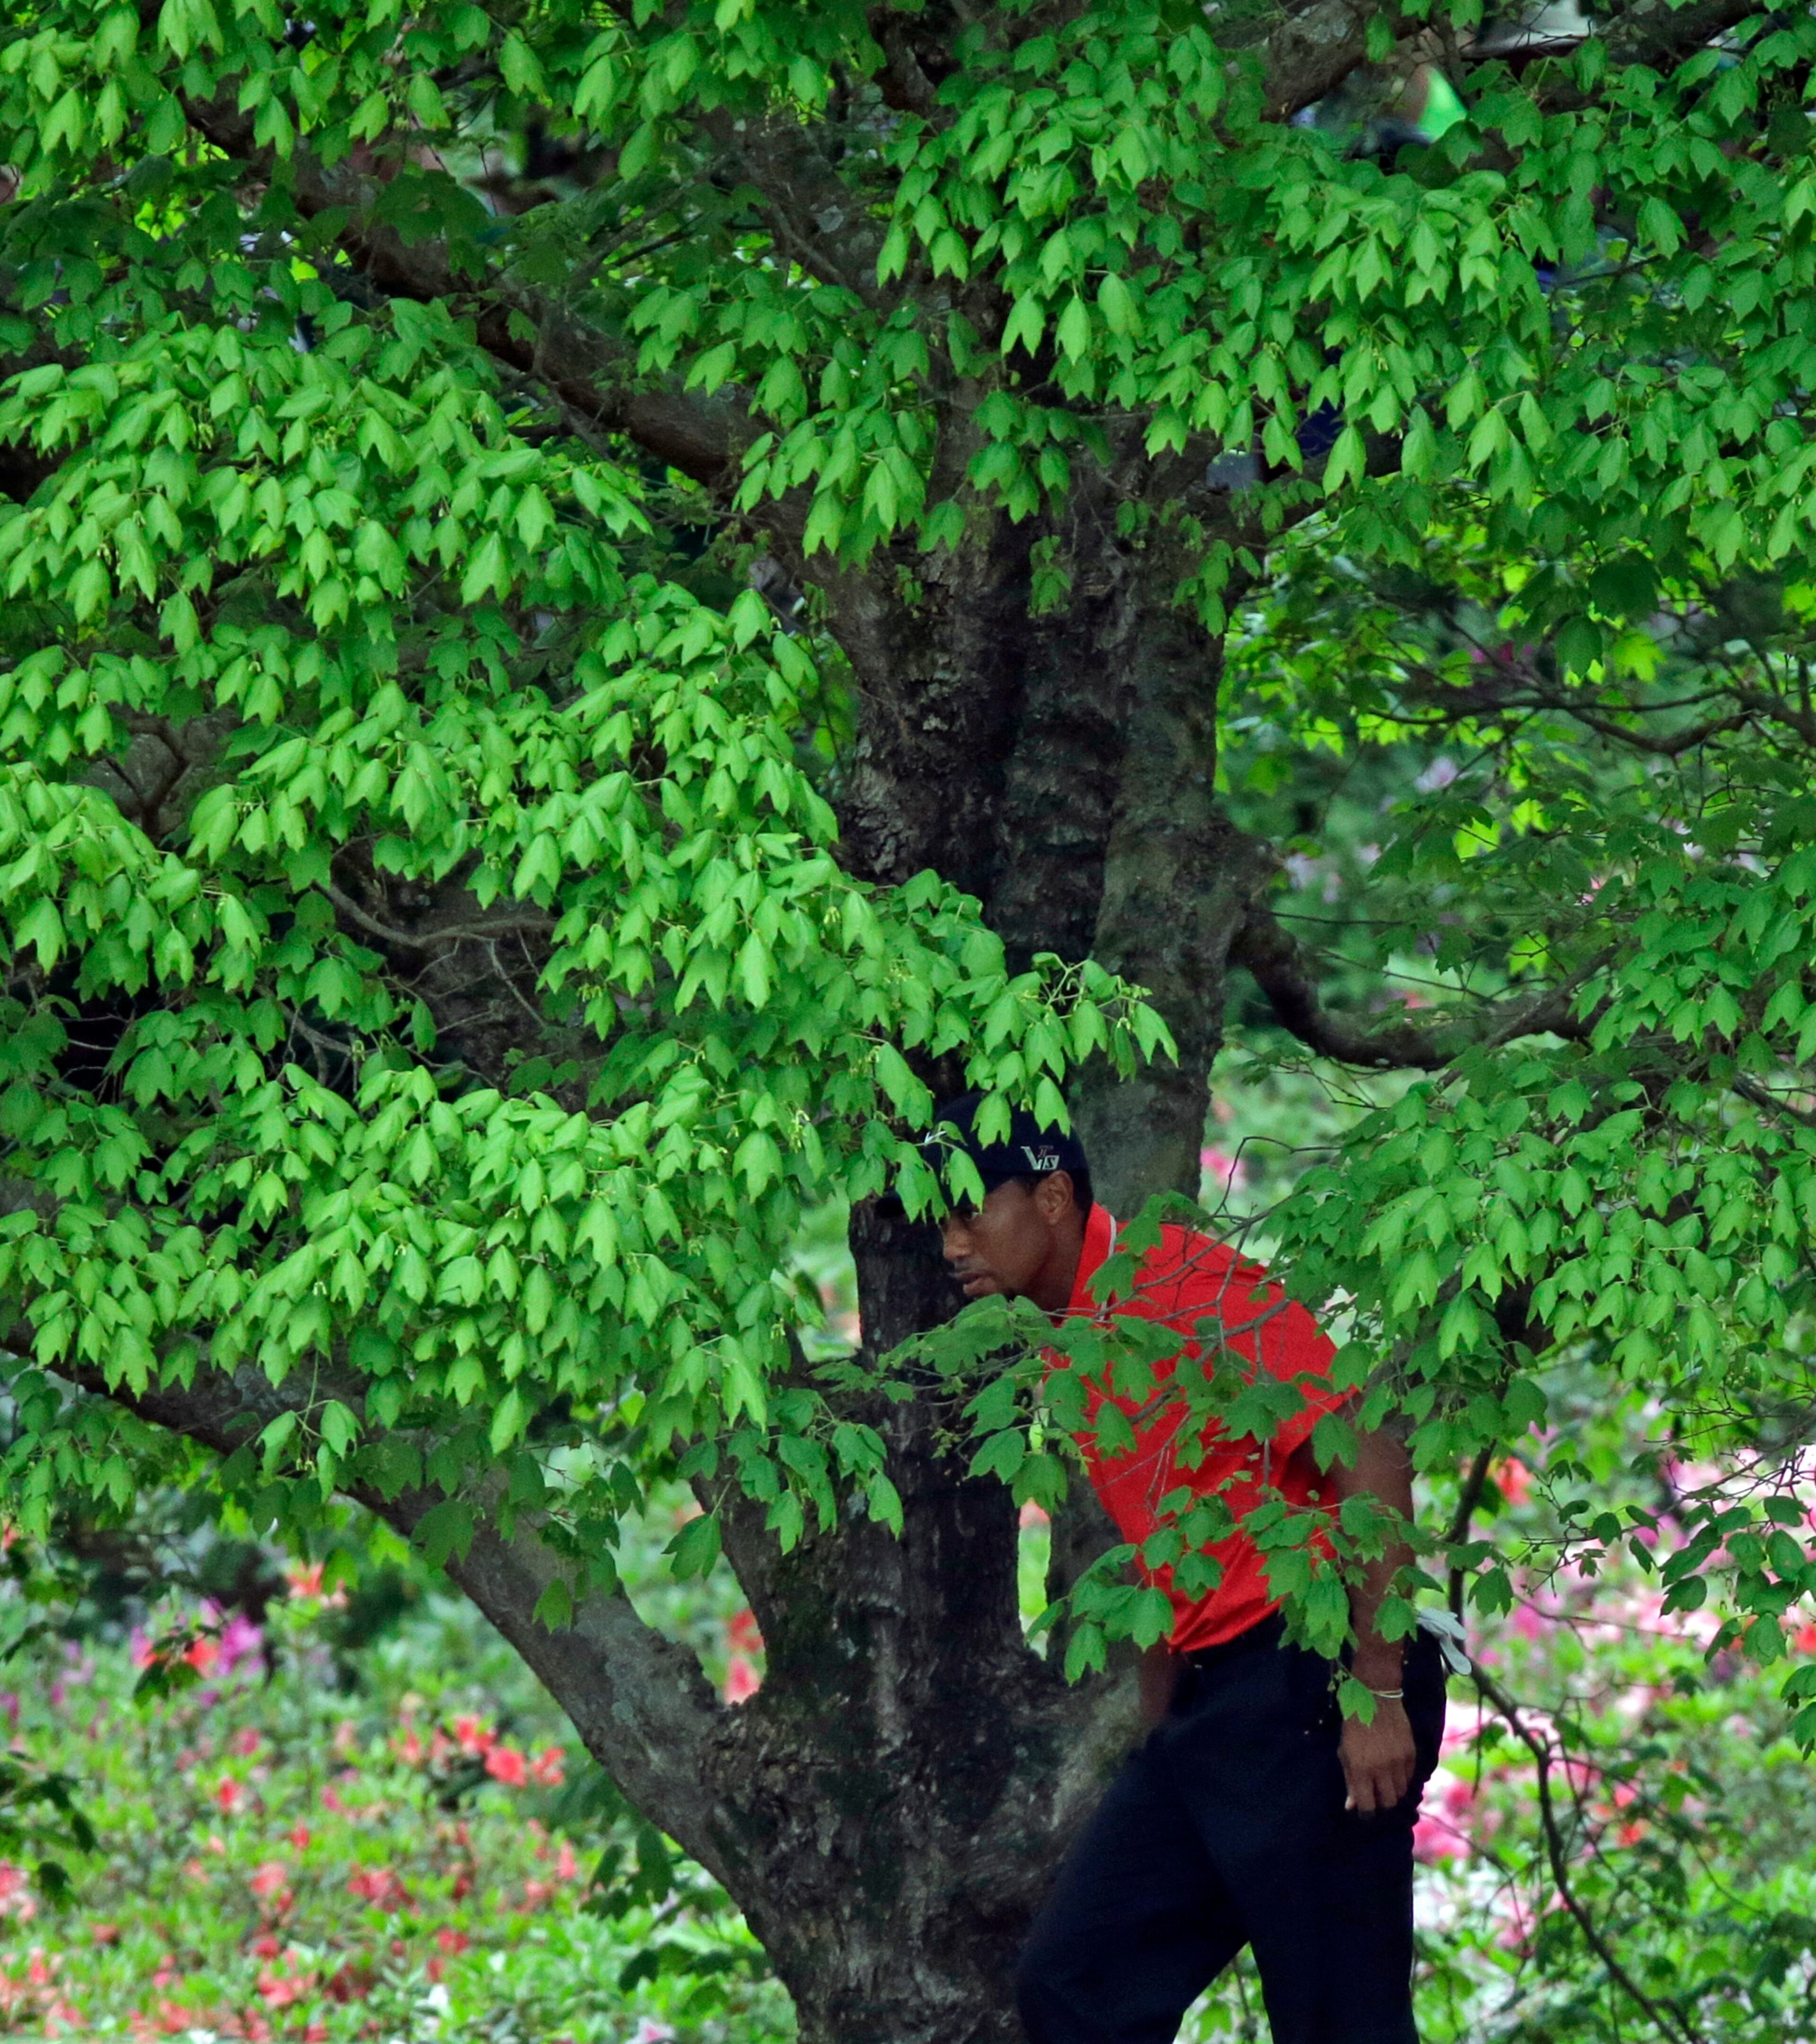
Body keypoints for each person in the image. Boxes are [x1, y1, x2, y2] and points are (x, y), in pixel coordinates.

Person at [928, 1094, 1446, 2044]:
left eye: (968, 1209)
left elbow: (1367, 1451)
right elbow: (1182, 1527)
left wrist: (1376, 1686)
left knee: (1343, 2026)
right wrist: (1168, 1705)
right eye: (940, 1216)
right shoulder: (1075, 1337)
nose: (950, 1239)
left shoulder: (1177, 1279)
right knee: (1077, 1985)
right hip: (1217, 1708)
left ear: (1052, 1195)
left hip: (1316, 1678)